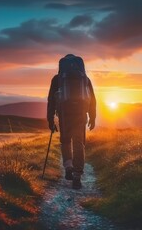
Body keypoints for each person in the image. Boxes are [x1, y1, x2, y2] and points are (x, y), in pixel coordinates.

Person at [47, 54, 96, 189]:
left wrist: (50, 120)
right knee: (79, 143)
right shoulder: (85, 79)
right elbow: (93, 100)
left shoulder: (57, 79)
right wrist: (93, 117)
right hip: (80, 114)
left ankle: (68, 166)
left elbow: (51, 101)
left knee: (66, 141)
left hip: (64, 115)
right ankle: (77, 175)